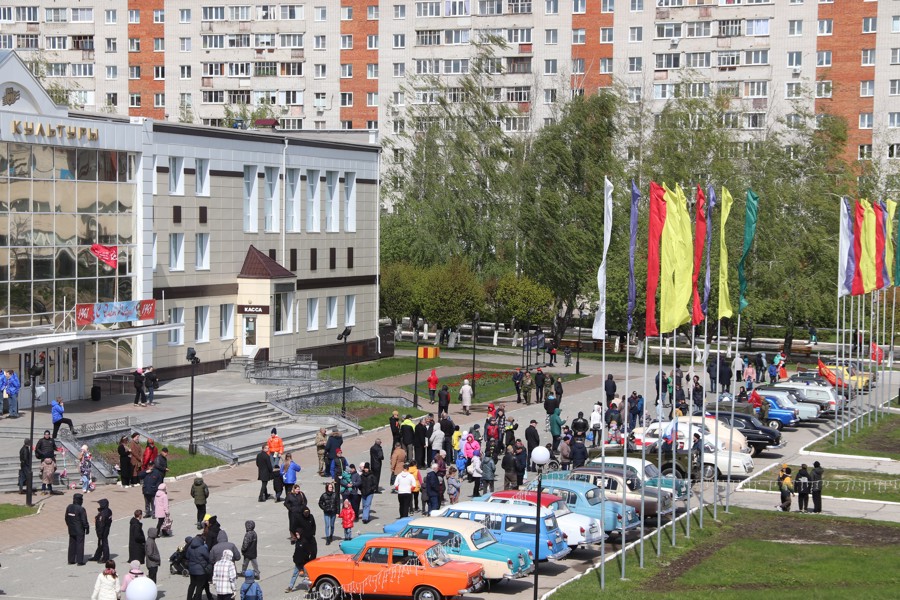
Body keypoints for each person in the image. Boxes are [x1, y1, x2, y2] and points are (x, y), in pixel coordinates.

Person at [65, 492, 90, 565]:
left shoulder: (69, 507)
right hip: (79, 530)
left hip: (71, 529)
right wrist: (87, 528)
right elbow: (84, 520)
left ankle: (71, 560)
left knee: (72, 544)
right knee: (80, 545)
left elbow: (66, 518)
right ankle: (79, 561)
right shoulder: (81, 509)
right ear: (79, 500)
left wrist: (69, 525)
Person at [186, 533, 212, 600]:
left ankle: (189, 598)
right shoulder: (202, 548)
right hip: (201, 571)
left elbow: (187, 557)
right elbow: (208, 557)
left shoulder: (190, 547)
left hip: (192, 570)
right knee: (199, 587)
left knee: (192, 585)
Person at [91, 498, 113, 563]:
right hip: (106, 529)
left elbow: (101, 524)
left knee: (103, 544)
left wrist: (99, 534)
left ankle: (105, 558)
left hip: (102, 531)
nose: (99, 505)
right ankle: (97, 556)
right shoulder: (109, 511)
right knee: (101, 544)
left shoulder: (103, 513)